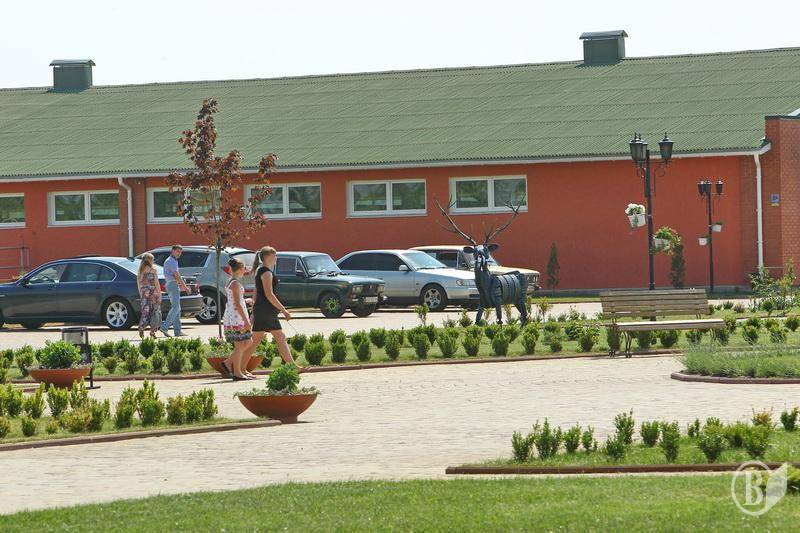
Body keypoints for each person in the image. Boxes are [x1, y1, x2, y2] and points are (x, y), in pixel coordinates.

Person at [244, 246, 298, 366]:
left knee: (259, 340)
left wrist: (254, 309)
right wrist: (284, 310)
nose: (276, 258)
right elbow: (269, 294)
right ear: (267, 257)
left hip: (263, 310)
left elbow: (256, 291)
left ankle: (240, 367)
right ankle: (293, 366)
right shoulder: (266, 273)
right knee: (277, 337)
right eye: (274, 256)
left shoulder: (261, 270)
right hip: (266, 311)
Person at [220, 257, 254, 380]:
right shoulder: (234, 283)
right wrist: (246, 320)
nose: (245, 270)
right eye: (244, 268)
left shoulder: (232, 282)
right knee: (240, 345)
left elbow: (236, 300)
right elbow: (237, 304)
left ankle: (228, 363)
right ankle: (237, 372)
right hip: (236, 318)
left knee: (248, 342)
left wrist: (246, 300)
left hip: (234, 315)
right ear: (239, 269)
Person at [160, 244, 189, 337]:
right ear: (172, 251)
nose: (179, 253)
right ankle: (164, 327)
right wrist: (185, 287)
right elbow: (176, 275)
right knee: (176, 308)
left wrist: (179, 284)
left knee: (177, 308)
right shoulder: (171, 261)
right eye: (177, 251)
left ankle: (177, 331)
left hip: (172, 284)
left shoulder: (173, 260)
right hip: (172, 285)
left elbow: (175, 276)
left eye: (180, 252)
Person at [136, 253, 162, 339]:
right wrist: (159, 294)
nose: (153, 261)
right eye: (153, 259)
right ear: (150, 260)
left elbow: (139, 283)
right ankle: (152, 332)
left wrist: (141, 293)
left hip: (144, 294)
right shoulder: (153, 270)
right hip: (153, 293)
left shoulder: (140, 270)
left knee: (145, 312)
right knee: (155, 312)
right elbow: (156, 283)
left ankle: (141, 327)